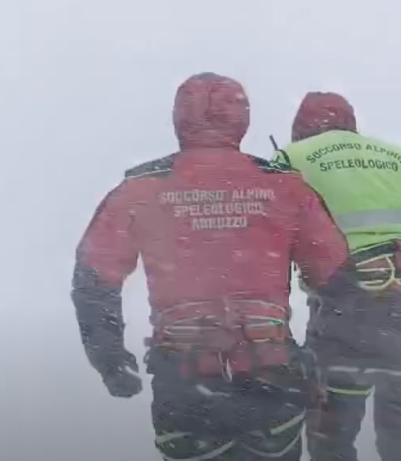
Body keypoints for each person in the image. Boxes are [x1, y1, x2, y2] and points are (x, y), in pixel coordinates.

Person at [70, 73, 359, 461]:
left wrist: (110, 360)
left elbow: (93, 280)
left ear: (179, 119)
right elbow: (338, 277)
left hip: (186, 385)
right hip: (271, 379)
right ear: (243, 119)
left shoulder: (141, 189)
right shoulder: (285, 187)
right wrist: (325, 357)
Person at [271, 91, 401, 461]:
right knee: (399, 437)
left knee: (332, 440)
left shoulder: (290, 159)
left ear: (300, 128)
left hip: (344, 313)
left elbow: (270, 240)